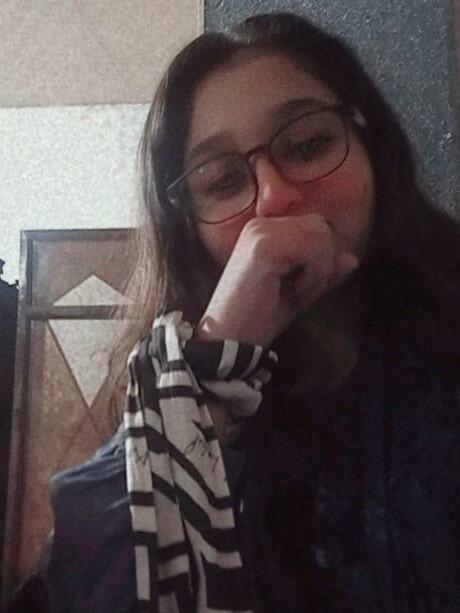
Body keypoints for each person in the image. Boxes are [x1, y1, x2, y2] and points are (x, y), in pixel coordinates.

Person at [15, 11, 459, 613]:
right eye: (224, 182)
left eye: (309, 145)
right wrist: (216, 361)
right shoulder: (170, 385)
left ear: (370, 145)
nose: (273, 197)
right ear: (188, 229)